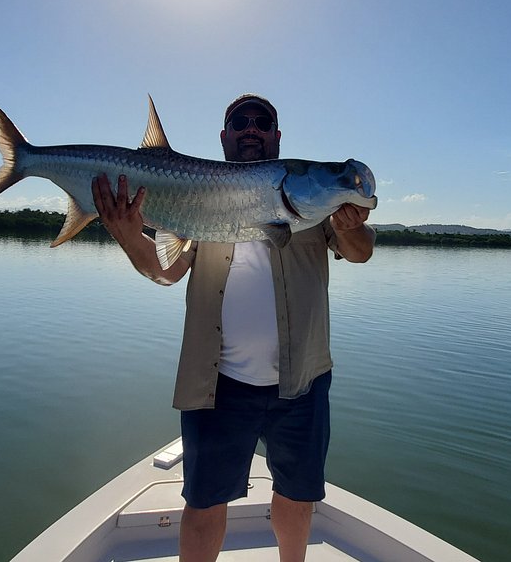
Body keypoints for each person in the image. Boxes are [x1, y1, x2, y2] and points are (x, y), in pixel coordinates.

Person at [91, 93, 375, 562]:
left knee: (298, 497)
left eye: (261, 122)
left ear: (276, 136)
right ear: (223, 137)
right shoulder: (197, 199)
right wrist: (126, 232)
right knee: (204, 503)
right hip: (217, 384)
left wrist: (347, 224)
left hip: (301, 382)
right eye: (239, 122)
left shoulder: (313, 201)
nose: (251, 128)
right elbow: (165, 271)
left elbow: (361, 251)